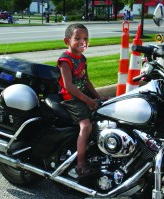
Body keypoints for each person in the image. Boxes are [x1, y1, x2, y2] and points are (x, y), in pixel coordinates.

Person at [57, 23, 103, 176]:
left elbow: (86, 82)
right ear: (67, 41)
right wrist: (88, 101)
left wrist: (98, 98)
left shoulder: (82, 58)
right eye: (77, 38)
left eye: (85, 38)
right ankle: (81, 163)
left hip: (81, 94)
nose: (83, 41)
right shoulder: (65, 60)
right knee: (85, 126)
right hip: (70, 98)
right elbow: (69, 86)